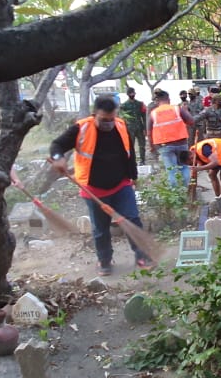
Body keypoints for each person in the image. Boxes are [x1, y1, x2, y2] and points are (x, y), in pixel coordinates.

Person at [49, 97, 151, 276]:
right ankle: (104, 261)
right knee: (100, 228)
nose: (109, 123)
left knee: (132, 219)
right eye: (104, 120)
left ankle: (142, 256)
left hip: (121, 185)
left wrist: (133, 177)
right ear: (94, 114)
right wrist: (59, 159)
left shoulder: (120, 126)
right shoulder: (81, 128)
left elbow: (130, 153)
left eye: (111, 118)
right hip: (93, 188)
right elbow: (57, 145)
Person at [148, 89, 194, 186]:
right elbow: (191, 121)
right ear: (168, 99)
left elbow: (149, 132)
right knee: (184, 167)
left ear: (157, 101)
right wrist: (185, 110)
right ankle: (186, 191)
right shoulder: (177, 109)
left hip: (165, 146)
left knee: (171, 171)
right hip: (181, 144)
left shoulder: (153, 113)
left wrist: (152, 147)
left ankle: (175, 194)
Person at [119, 87, 147, 165]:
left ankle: (142, 160)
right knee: (131, 145)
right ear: (128, 94)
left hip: (140, 127)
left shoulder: (140, 104)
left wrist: (145, 128)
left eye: (133, 93)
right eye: (130, 93)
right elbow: (122, 118)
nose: (132, 95)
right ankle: (132, 161)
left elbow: (144, 117)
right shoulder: (124, 106)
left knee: (142, 145)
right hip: (130, 128)